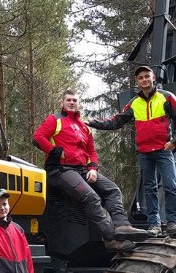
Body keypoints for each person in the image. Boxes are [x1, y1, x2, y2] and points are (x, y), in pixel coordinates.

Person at [33, 89, 146, 252]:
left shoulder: (84, 126)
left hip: (82, 170)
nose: (71, 103)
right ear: (62, 102)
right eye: (68, 100)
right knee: (91, 197)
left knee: (112, 190)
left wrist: (92, 169)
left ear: (78, 104)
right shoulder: (55, 120)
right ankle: (110, 239)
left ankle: (122, 226)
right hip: (60, 170)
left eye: (74, 100)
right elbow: (38, 137)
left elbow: (91, 151)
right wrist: (54, 151)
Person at [87, 66, 176, 237]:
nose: (144, 80)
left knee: (170, 185)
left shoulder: (166, 97)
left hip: (163, 150)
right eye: (140, 78)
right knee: (150, 188)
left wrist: (174, 142)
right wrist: (92, 123)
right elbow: (116, 121)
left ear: (153, 78)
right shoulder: (134, 103)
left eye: (146, 76)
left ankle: (173, 222)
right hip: (144, 153)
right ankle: (154, 224)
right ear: (137, 81)